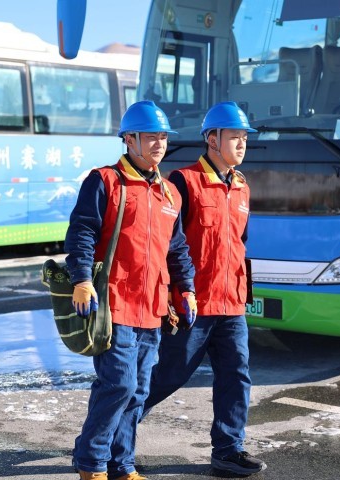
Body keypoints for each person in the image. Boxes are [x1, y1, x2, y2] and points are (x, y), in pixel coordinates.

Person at [64, 100, 197, 480]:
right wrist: (81, 279)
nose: (159, 144)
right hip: (115, 304)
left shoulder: (169, 193)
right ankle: (91, 463)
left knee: (138, 392)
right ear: (129, 139)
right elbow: (82, 232)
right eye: (150, 137)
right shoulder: (105, 181)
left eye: (163, 137)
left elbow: (177, 249)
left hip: (152, 307)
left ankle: (122, 465)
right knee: (119, 384)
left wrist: (186, 290)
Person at [143, 102, 266, 475]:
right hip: (193, 303)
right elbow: (168, 244)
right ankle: (107, 437)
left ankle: (228, 450)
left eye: (245, 138)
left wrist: (242, 291)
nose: (242, 144)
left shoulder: (241, 186)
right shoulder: (184, 182)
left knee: (236, 375)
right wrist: (173, 295)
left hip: (232, 303)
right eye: (235, 137)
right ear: (212, 139)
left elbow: (239, 244)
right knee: (168, 375)